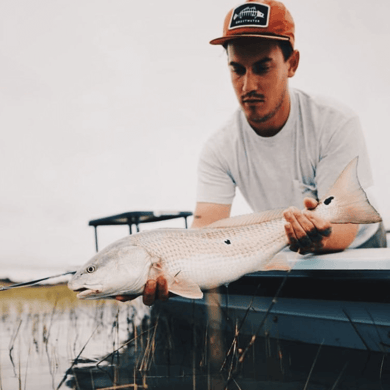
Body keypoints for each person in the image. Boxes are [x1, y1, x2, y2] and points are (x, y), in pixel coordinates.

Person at [116, 0, 386, 305]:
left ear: (292, 64)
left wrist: (318, 236)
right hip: (289, 247)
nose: (248, 85)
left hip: (366, 251)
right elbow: (203, 234)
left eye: (262, 67)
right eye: (237, 69)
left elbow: (343, 228)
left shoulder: (335, 121)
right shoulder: (219, 148)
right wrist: (148, 274)